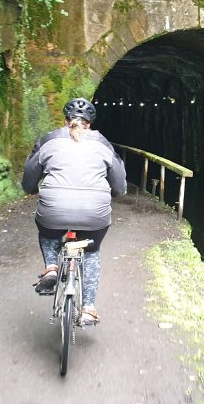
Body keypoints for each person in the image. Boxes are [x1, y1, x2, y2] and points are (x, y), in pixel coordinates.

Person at [21, 98, 126, 325]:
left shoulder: (48, 141)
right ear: (91, 122)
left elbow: (28, 182)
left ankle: (51, 267)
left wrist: (33, 189)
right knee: (91, 251)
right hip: (94, 215)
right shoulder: (103, 144)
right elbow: (119, 187)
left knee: (48, 232)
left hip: (53, 212)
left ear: (65, 120)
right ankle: (88, 309)